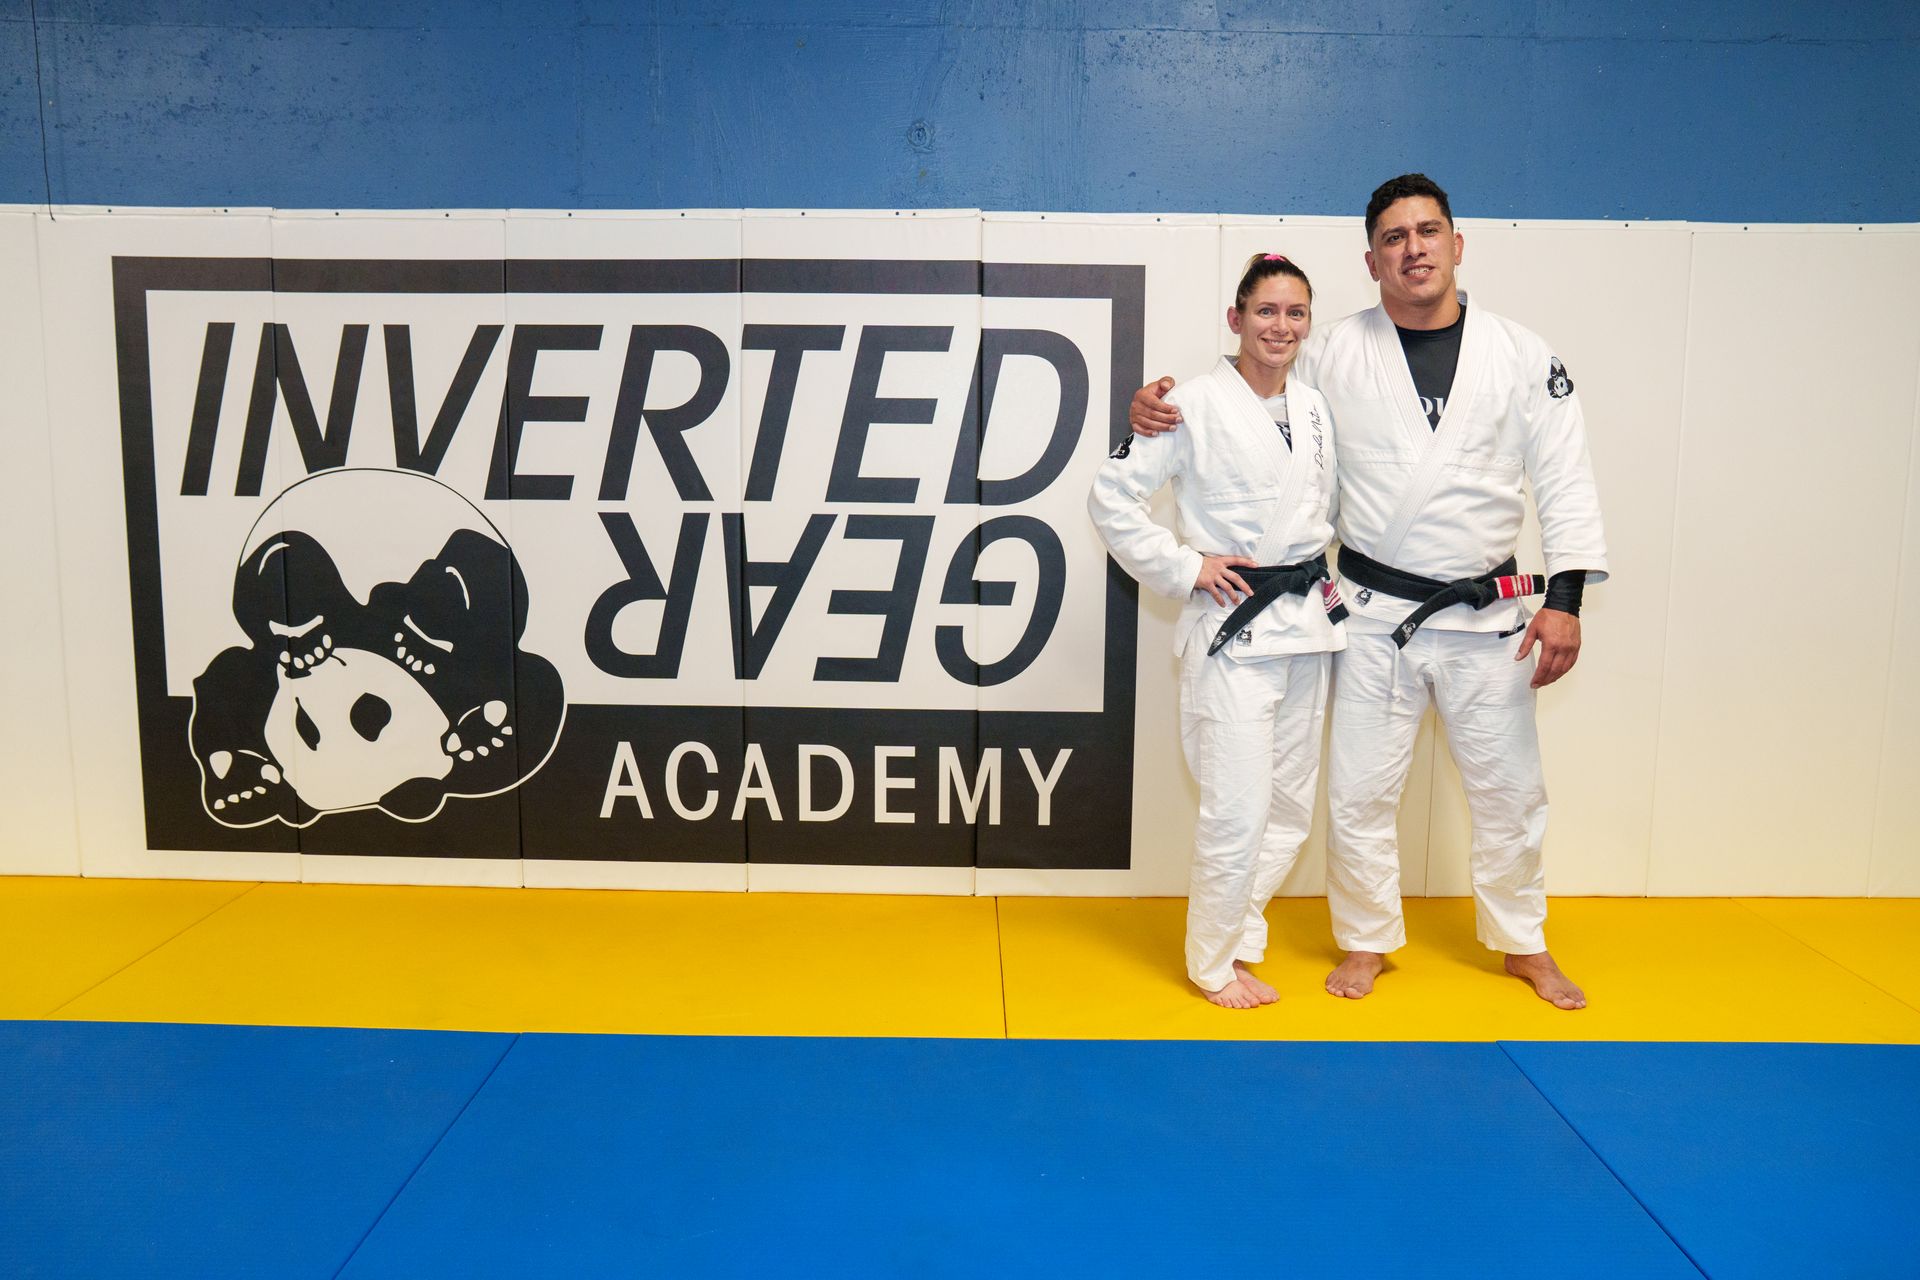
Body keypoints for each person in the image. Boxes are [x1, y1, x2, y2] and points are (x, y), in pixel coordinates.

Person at [1129, 175, 1607, 1010]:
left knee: (1509, 789)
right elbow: (1250, 391)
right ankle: (1367, 938)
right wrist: (1153, 412)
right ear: (1372, 260)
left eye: (1428, 231)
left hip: (1489, 611)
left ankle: (1523, 941)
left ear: (1457, 244)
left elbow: (1564, 477)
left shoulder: (1523, 354)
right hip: (1371, 613)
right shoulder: (1333, 350)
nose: (1413, 248)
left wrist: (1564, 598)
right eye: (1394, 237)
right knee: (1358, 790)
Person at [1089, 253, 1346, 1009]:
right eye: (1266, 311)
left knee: (1290, 809)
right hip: (1234, 629)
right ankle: (1211, 962)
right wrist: (1186, 566)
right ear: (1236, 319)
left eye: (1295, 312)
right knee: (1236, 808)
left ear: (1309, 323)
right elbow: (1111, 498)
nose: (1281, 326)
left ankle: (1238, 938)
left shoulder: (1316, 407)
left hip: (1307, 627)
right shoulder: (1189, 404)